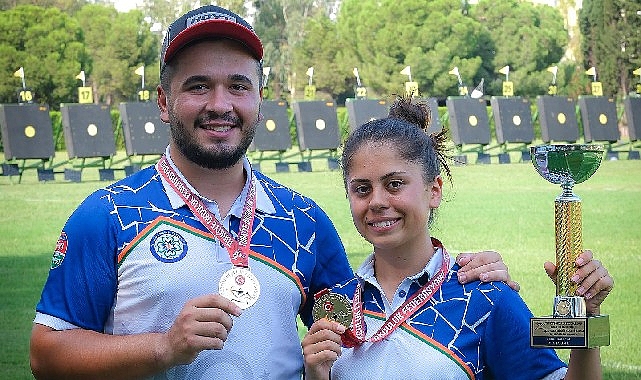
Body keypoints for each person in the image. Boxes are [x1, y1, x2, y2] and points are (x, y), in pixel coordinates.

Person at [30, 6, 517, 380]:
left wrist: (467, 277)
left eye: (238, 86)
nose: (220, 105)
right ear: (163, 100)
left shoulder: (302, 221)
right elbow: (45, 354)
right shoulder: (108, 214)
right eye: (198, 86)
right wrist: (163, 347)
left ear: (259, 99)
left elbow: (371, 324)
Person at [301, 97, 614, 380]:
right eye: (362, 189)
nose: (377, 201)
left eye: (395, 184)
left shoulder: (488, 298)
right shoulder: (337, 305)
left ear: (433, 190)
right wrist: (316, 375)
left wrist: (588, 319)